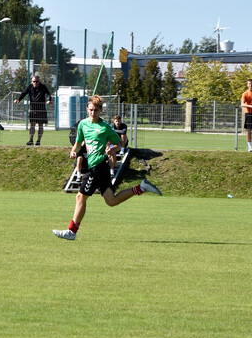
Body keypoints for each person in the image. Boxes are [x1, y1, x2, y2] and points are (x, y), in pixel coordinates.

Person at [53, 95, 161, 241]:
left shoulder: (105, 128)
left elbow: (118, 144)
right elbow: (78, 143)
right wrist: (73, 151)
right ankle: (141, 188)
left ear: (100, 110)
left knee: (80, 197)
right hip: (98, 167)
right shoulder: (83, 125)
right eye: (91, 110)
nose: (93, 113)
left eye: (96, 110)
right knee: (111, 201)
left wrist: (112, 150)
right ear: (87, 109)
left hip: (98, 167)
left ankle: (72, 231)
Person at [15, 74, 53, 145]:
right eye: (33, 81)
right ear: (32, 82)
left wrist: (49, 100)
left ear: (39, 81)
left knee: (40, 125)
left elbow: (48, 94)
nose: (35, 83)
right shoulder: (30, 87)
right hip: (33, 109)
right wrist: (18, 99)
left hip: (41, 109)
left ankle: (38, 141)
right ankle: (31, 140)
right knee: (32, 125)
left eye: (36, 81)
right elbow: (23, 93)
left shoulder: (43, 87)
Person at [242, 79, 252, 152]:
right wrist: (250, 106)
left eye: (251, 84)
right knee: (248, 130)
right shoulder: (245, 93)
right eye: (249, 84)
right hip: (248, 113)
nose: (250, 85)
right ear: (247, 85)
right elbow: (242, 104)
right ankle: (249, 146)